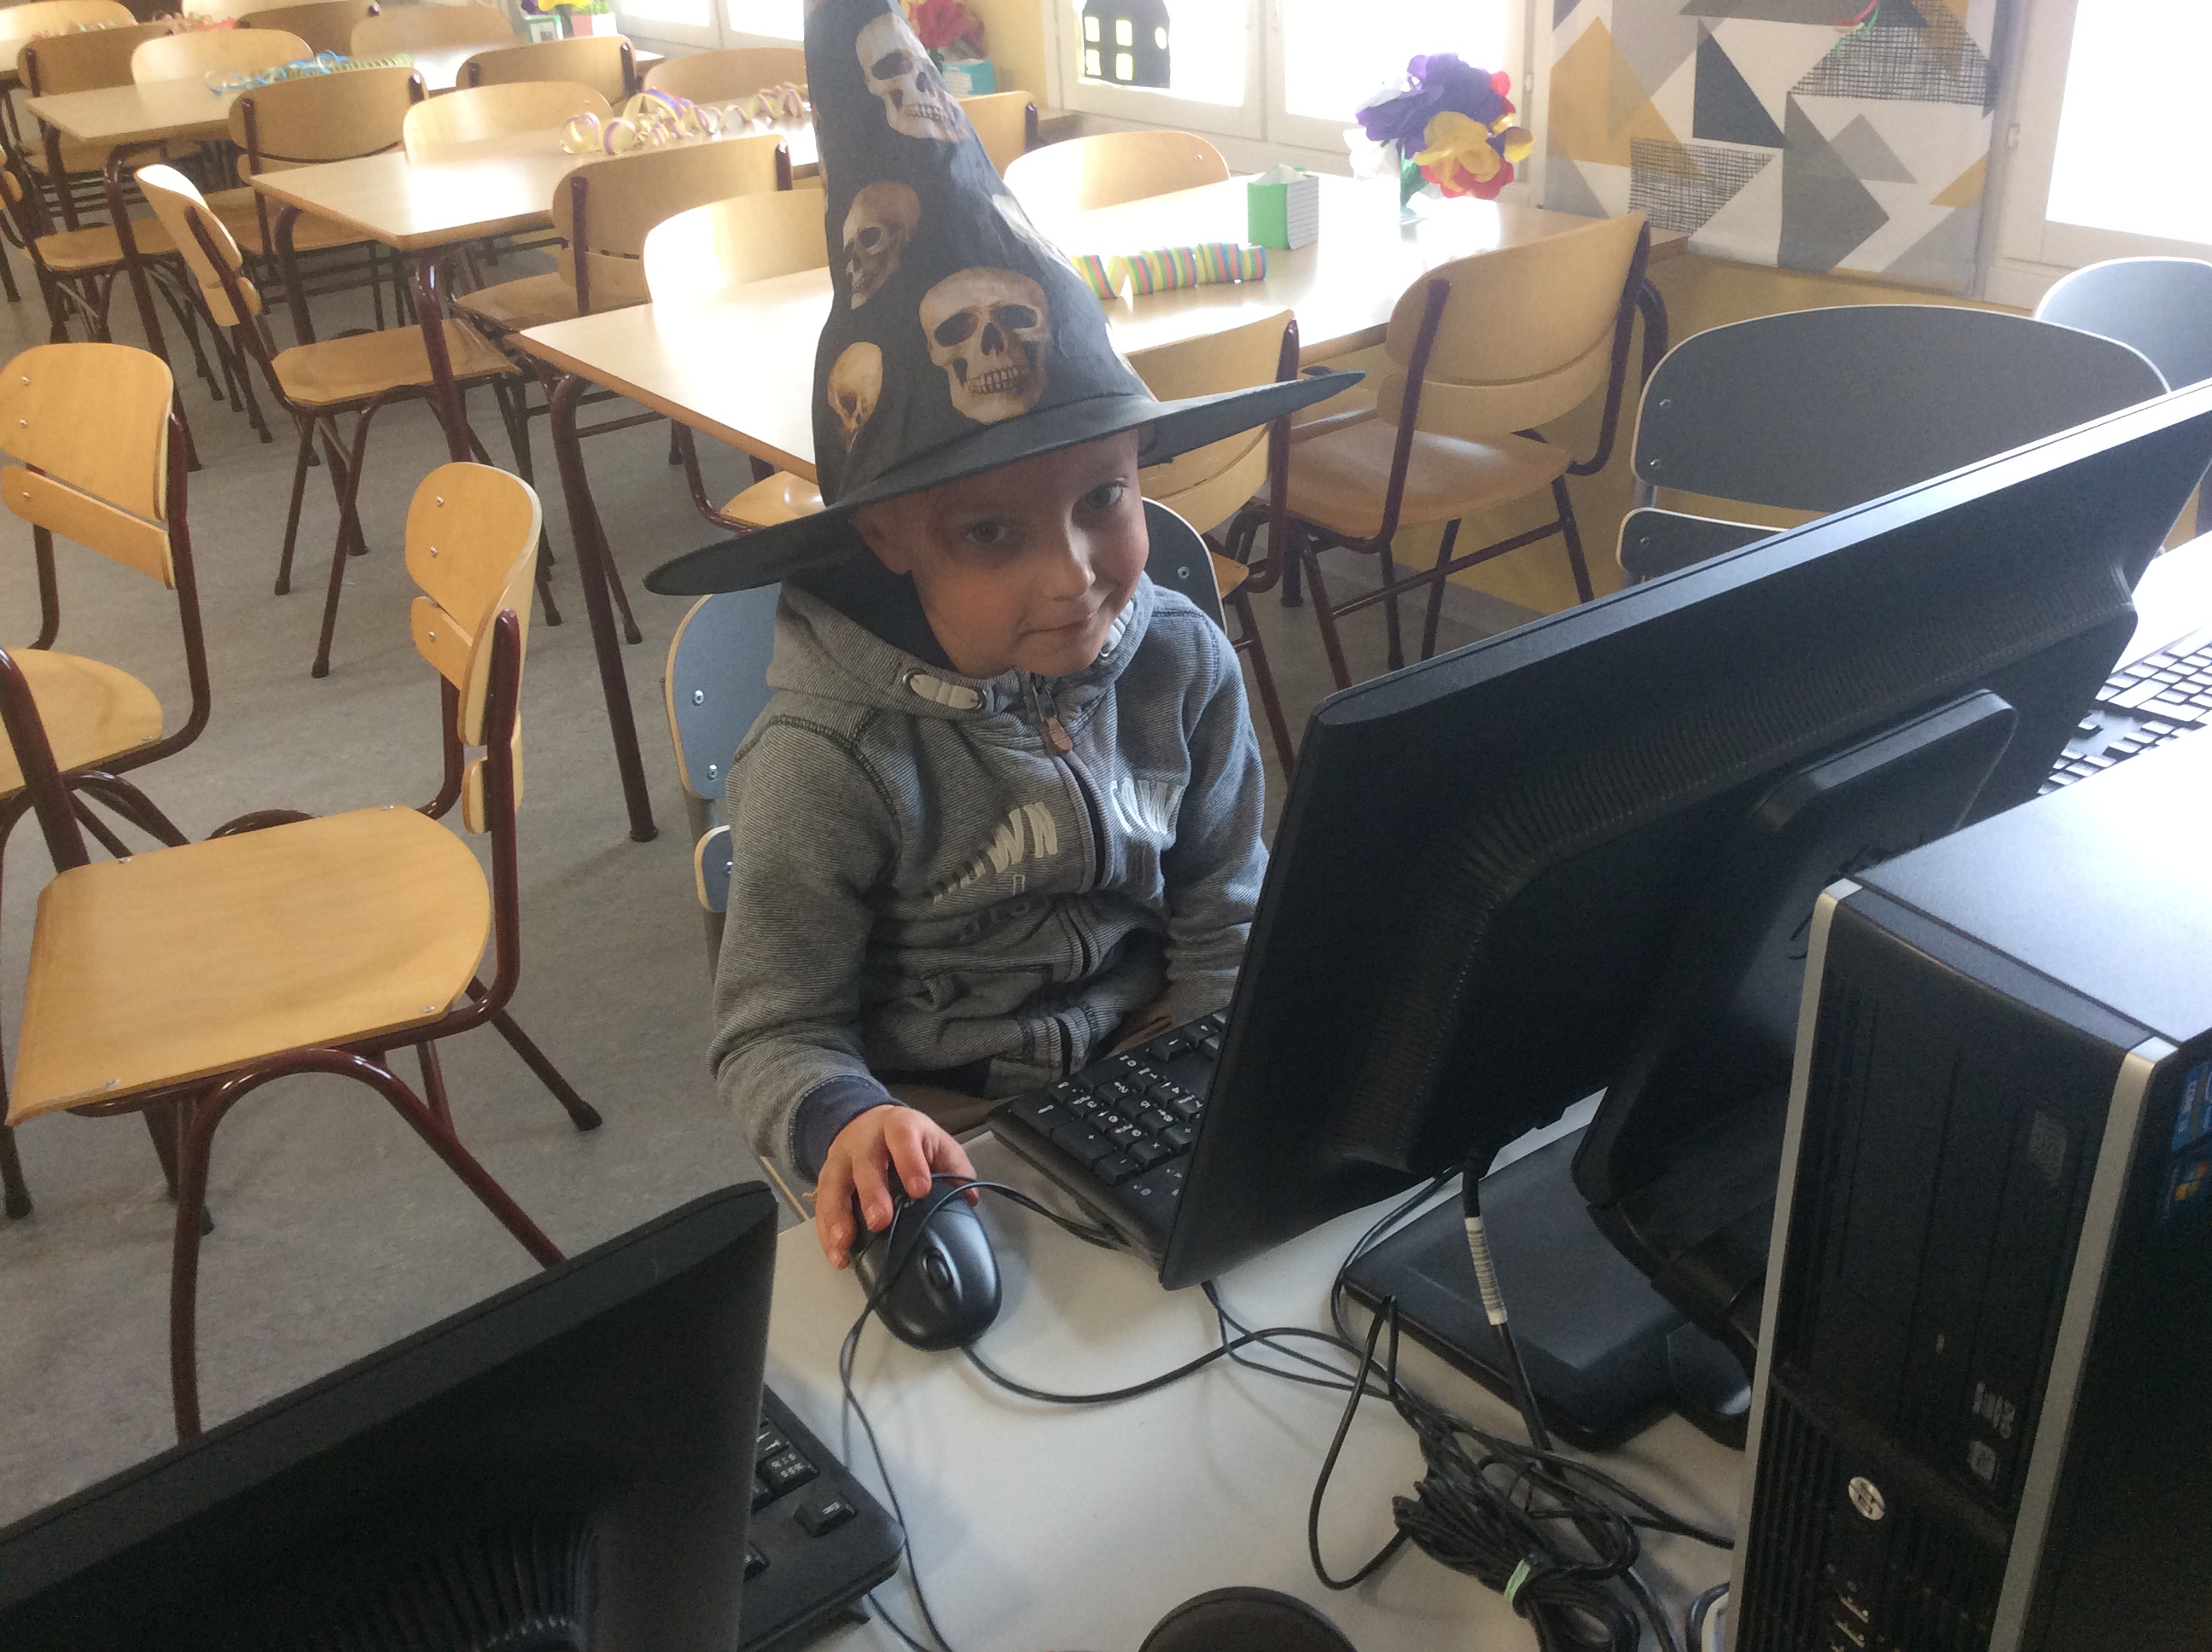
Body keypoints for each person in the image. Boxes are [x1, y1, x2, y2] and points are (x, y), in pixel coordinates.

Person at [644, 0, 1357, 1271]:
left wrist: (1216, 1087)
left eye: (1105, 500)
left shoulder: (1184, 662)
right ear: (888, 537)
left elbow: (1224, 919)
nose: (1074, 575)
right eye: (989, 534)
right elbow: (773, 1034)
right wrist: (849, 1123)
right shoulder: (826, 761)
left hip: (1152, 1053)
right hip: (942, 1123)